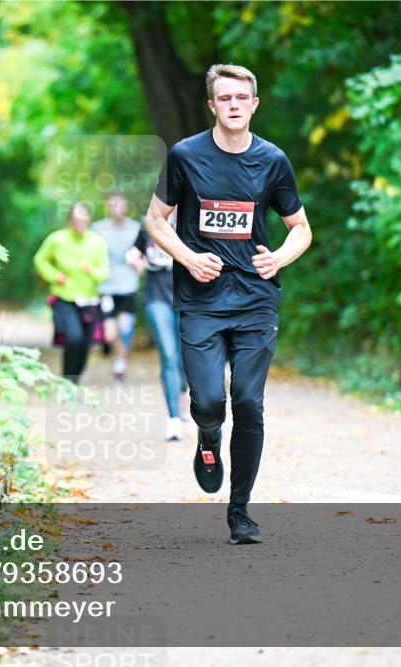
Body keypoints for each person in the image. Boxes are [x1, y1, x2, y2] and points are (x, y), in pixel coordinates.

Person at [144, 64, 312, 544]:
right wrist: (188, 256)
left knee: (249, 403)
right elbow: (156, 220)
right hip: (200, 299)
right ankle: (208, 435)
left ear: (254, 104)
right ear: (212, 105)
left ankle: (240, 511)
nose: (234, 104)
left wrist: (278, 258)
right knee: (211, 401)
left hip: (256, 300)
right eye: (225, 98)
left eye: (242, 97)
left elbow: (301, 227)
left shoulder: (273, 160)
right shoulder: (185, 155)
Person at [126, 210, 187, 442]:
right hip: (156, 298)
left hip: (188, 298)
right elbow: (135, 252)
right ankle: (173, 418)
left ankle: (183, 390)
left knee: (187, 356)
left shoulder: (191, 219)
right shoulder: (148, 223)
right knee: (169, 355)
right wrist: (134, 260)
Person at [34, 202, 110, 384]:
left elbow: (104, 272)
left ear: (89, 221)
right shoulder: (57, 239)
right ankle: (67, 380)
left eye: (84, 220)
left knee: (85, 344)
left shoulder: (97, 242)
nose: (80, 224)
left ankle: (74, 381)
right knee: (73, 337)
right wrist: (54, 275)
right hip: (64, 298)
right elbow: (40, 260)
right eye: (76, 220)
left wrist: (90, 270)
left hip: (90, 301)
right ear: (69, 221)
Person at [92, 193, 142, 381]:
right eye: (113, 204)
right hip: (106, 286)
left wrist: (140, 264)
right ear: (107, 206)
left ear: (127, 206)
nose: (117, 207)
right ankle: (119, 354)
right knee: (109, 333)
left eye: (121, 204)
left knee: (127, 327)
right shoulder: (98, 229)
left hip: (128, 284)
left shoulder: (136, 228)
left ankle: (120, 361)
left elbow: (143, 252)